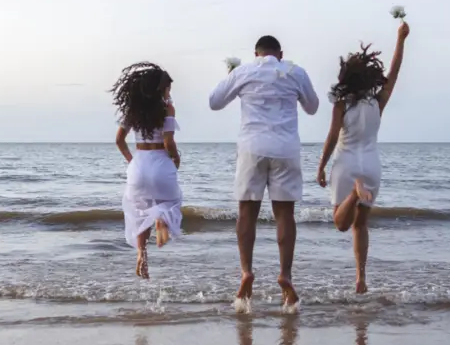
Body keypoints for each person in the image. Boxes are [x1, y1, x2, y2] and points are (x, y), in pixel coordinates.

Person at [209, 36, 319, 310]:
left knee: (247, 212)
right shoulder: (295, 71)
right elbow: (313, 107)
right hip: (285, 149)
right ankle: (285, 275)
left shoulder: (244, 71)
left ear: (255, 53)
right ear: (280, 54)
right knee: (285, 215)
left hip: (252, 148)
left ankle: (246, 271)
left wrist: (231, 78)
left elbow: (215, 102)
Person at [316, 22, 410, 294]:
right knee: (361, 225)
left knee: (341, 223)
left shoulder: (342, 104)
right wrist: (401, 39)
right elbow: (395, 71)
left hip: (346, 166)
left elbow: (333, 137)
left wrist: (321, 166)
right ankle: (360, 278)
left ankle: (354, 195)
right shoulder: (378, 102)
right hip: (371, 166)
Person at [112, 62, 182, 280]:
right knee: (171, 203)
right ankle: (161, 220)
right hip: (161, 162)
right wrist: (176, 158)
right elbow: (168, 141)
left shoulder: (132, 112)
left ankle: (142, 254)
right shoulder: (167, 109)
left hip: (139, 166)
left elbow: (119, 140)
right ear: (161, 89)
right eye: (168, 89)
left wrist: (132, 161)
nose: (170, 93)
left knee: (139, 213)